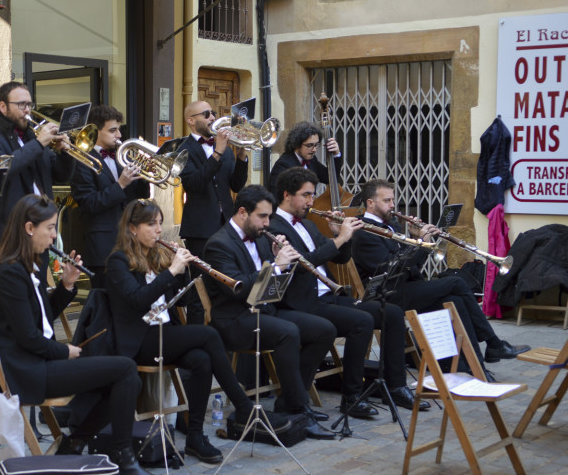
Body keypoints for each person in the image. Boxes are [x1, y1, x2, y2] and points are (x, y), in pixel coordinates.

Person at [0, 194, 166, 475]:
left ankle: (77, 443)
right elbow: (29, 338)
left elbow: (41, 319)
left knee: (123, 375)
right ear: (29, 228)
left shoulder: (27, 265)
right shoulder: (9, 273)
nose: (55, 235)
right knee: (124, 369)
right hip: (27, 371)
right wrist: (65, 350)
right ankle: (121, 460)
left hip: (39, 362)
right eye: (50, 228)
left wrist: (67, 285)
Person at [105, 199, 271, 462]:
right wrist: (171, 271)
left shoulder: (156, 256)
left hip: (165, 333)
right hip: (140, 340)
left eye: (160, 223)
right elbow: (138, 299)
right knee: (208, 334)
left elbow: (176, 300)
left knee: (202, 360)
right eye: (151, 225)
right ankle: (243, 406)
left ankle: (195, 436)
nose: (159, 231)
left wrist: (185, 268)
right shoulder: (118, 261)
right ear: (133, 228)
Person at [269, 168, 426, 415]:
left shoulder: (309, 225)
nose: (311, 202)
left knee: (391, 313)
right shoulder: (275, 226)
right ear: (287, 195)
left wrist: (339, 235)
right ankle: (351, 396)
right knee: (361, 321)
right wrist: (339, 239)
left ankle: (395, 387)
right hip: (303, 302)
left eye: (312, 195)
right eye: (306, 195)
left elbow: (340, 258)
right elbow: (303, 264)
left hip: (330, 296)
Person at [352, 179, 529, 374]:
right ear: (370, 203)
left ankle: (474, 366)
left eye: (393, 200)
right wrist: (420, 243)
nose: (393, 205)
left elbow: (412, 266)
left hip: (406, 288)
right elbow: (391, 269)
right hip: (387, 295)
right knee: (456, 282)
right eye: (387, 201)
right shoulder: (364, 231)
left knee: (455, 300)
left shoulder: (391, 224)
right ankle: (493, 343)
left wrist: (420, 240)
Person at [203, 186, 337, 439]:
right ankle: (299, 408)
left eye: (269, 217)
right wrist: (276, 266)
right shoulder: (218, 244)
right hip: (235, 318)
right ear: (243, 212)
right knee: (288, 332)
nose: (267, 223)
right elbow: (238, 289)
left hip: (264, 310)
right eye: (262, 217)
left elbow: (270, 285)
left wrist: (279, 262)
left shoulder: (262, 237)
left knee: (323, 329)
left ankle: (289, 403)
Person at [0, 82, 74, 248]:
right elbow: (3, 170)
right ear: (3, 107)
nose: (27, 110)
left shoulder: (33, 138)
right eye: (21, 104)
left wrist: (65, 154)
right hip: (10, 234)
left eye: (29, 104)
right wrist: (39, 143)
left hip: (41, 232)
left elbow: (61, 176)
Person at [178, 100, 249, 323]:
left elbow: (236, 186)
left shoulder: (226, 148)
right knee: (200, 287)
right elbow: (195, 184)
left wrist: (242, 155)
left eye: (213, 113)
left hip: (227, 225)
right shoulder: (183, 149)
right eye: (206, 114)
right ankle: (196, 337)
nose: (212, 117)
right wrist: (217, 152)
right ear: (191, 120)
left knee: (227, 282)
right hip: (200, 229)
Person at [70, 105, 148, 286]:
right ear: (95, 132)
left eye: (119, 129)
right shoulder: (82, 160)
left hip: (129, 243)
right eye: (113, 130)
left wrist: (144, 177)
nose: (119, 135)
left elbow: (135, 199)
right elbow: (89, 203)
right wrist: (120, 185)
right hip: (102, 246)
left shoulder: (122, 158)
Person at [268, 121, 341, 196]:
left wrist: (336, 154)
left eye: (316, 145)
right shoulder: (283, 165)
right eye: (310, 145)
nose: (314, 150)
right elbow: (276, 197)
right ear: (297, 144)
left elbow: (329, 178)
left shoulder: (312, 159)